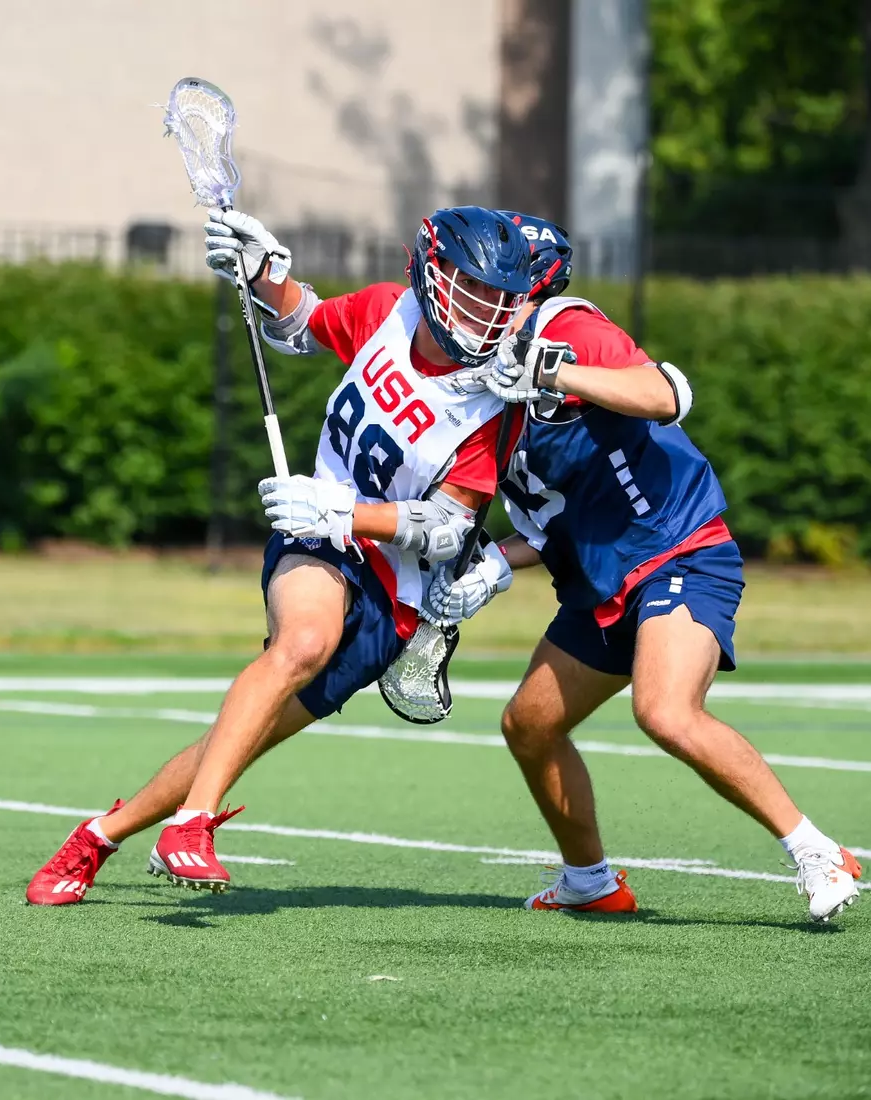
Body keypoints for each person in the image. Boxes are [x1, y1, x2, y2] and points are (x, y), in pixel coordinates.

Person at [27, 205, 534, 904]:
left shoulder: (493, 402)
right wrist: (264, 273)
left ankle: (97, 837)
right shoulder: (388, 312)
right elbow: (305, 322)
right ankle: (192, 825)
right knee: (303, 642)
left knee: (241, 737)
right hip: (316, 535)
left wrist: (348, 512)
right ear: (431, 272)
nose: (484, 310)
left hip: (394, 596)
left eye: (499, 297)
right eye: (472, 287)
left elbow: (448, 527)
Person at [430, 217, 864, 923]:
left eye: (485, 282)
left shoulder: (565, 328)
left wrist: (553, 371)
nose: (469, 295)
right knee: (529, 725)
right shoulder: (472, 378)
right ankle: (590, 881)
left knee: (664, 711)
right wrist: (495, 564)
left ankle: (818, 851)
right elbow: (549, 517)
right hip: (602, 578)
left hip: (677, 549)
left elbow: (667, 393)